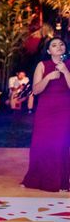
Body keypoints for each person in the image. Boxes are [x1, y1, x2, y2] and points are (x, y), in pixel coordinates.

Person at [21, 37, 70, 192]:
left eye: (61, 44)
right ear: (49, 51)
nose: (59, 47)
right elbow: (35, 90)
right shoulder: (42, 65)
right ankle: (38, 179)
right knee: (41, 143)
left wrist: (65, 71)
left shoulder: (68, 65)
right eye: (54, 45)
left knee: (61, 144)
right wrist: (48, 77)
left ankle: (61, 181)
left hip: (65, 109)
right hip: (45, 110)